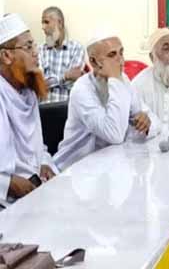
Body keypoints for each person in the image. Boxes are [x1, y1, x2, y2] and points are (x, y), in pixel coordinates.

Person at [53, 31, 160, 170]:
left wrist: (146, 123)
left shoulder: (123, 80)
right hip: (74, 169)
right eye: (112, 55)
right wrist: (114, 79)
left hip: (107, 165)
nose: (121, 61)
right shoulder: (82, 89)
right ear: (93, 62)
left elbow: (155, 122)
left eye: (121, 53)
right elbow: (114, 135)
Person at [0, 13, 57, 207]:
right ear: (6, 56)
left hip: (33, 190)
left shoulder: (27, 90)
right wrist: (8, 184)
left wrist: (45, 162)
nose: (36, 52)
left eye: (34, 45)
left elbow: (37, 147)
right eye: (28, 47)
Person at [39, 6, 86, 102]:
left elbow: (73, 84)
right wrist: (65, 76)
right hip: (43, 107)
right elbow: (39, 83)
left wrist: (50, 81)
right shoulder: (40, 50)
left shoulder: (76, 48)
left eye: (46, 22)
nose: (43, 27)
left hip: (67, 107)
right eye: (42, 23)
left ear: (59, 23)